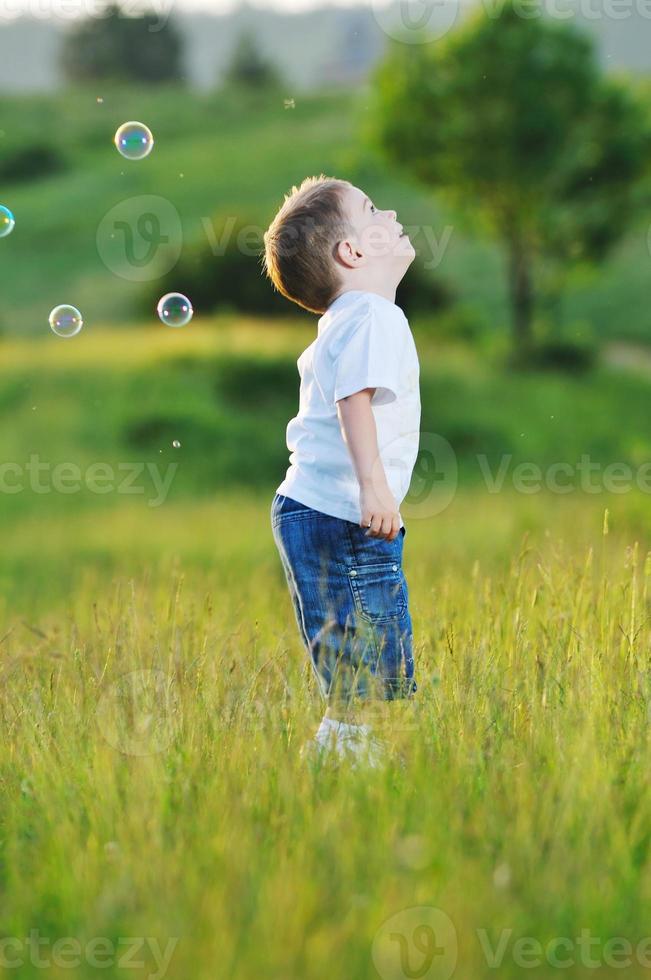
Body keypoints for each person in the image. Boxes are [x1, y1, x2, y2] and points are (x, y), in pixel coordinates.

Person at [263, 174, 421, 767]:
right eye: (372, 209)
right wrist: (375, 488)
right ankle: (347, 767)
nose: (391, 212)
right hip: (344, 514)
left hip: (316, 510)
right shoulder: (373, 316)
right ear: (352, 252)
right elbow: (352, 399)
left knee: (357, 656)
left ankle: (343, 759)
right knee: (373, 663)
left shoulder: (353, 317)